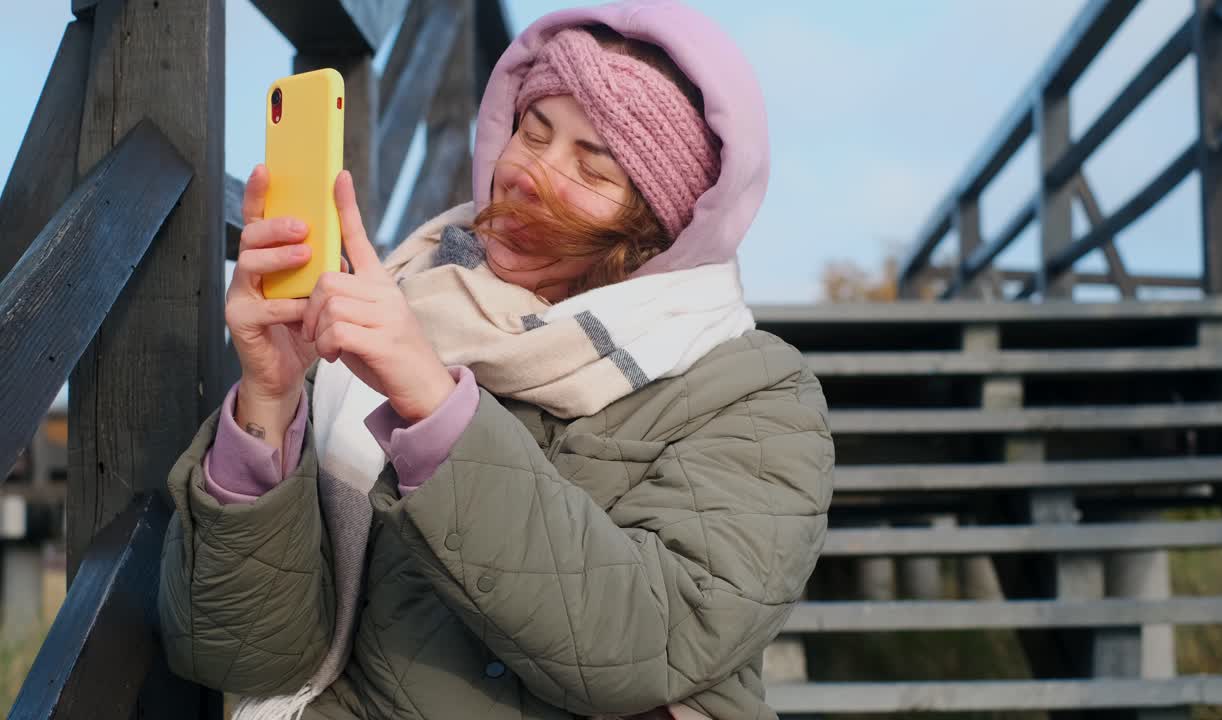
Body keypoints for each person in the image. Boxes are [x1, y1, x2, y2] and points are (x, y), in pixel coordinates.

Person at [158, 2, 834, 718]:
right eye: (532, 132)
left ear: (660, 222)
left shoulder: (758, 399)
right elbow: (234, 656)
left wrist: (432, 404)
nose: (530, 174)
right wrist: (270, 399)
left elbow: (649, 641)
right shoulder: (391, 308)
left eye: (591, 166)